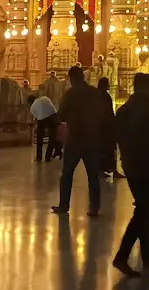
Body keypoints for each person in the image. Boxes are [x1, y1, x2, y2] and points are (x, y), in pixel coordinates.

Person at [112, 73, 149, 277]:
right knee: (143, 211)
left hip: (131, 163)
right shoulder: (148, 109)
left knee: (143, 209)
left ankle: (147, 255)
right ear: (147, 88)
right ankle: (122, 255)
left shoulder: (125, 108)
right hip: (146, 165)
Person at [53, 66, 108, 216]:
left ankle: (64, 205)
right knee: (93, 175)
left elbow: (62, 115)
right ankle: (94, 207)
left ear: (71, 78)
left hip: (75, 138)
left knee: (67, 174)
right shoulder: (94, 93)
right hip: (91, 138)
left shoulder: (70, 94)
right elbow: (102, 114)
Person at [97, 76, 121, 179]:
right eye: (107, 83)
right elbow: (107, 112)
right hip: (105, 127)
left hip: (102, 127)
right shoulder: (103, 96)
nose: (109, 85)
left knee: (106, 149)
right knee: (107, 149)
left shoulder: (99, 95)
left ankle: (107, 169)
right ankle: (107, 169)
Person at [29, 93, 59, 163]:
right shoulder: (45, 98)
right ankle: (48, 157)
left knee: (40, 139)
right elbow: (53, 108)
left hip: (42, 119)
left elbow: (36, 117)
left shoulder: (32, 107)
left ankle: (39, 157)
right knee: (52, 137)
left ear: (30, 102)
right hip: (52, 117)